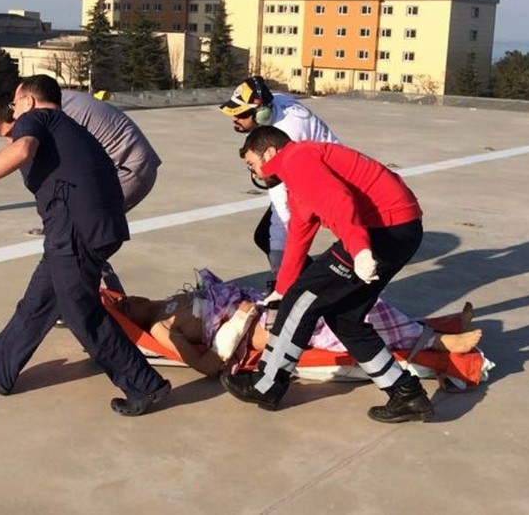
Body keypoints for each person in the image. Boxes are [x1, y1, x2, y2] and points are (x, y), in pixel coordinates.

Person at [0, 76, 171, 416]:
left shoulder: (37, 118)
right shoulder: (65, 124)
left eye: (16, 105)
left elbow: (22, 149)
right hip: (83, 229)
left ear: (29, 101)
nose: (14, 112)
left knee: (82, 314)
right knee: (39, 299)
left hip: (76, 232)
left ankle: (144, 385)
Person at [219, 125, 433, 423]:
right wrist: (282, 287)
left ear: (269, 153)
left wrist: (359, 249)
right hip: (400, 228)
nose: (253, 172)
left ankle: (266, 384)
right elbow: (300, 232)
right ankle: (406, 394)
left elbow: (338, 200)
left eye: (252, 163)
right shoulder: (300, 167)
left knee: (302, 299)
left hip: (383, 230)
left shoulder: (295, 159)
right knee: (344, 318)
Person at [112, 269, 481, 379]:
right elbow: (208, 366)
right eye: (123, 308)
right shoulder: (160, 328)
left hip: (261, 302)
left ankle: (434, 330)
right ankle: (439, 343)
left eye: (123, 298)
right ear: (132, 323)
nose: (126, 300)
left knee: (354, 298)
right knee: (348, 316)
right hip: (259, 323)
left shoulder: (166, 303)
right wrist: (239, 319)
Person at [0, 77, 162, 298]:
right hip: (133, 163)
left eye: (11, 133)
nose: (11, 141)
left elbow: (33, 161)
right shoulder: (52, 102)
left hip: (128, 167)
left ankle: (104, 302)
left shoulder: (47, 116)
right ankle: (92, 298)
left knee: (81, 239)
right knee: (82, 241)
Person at [219, 75, 338, 279]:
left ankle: (309, 284)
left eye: (241, 114)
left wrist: (277, 250)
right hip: (313, 174)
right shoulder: (274, 104)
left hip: (326, 183)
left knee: (275, 238)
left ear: (261, 114)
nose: (234, 118)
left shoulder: (286, 136)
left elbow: (280, 198)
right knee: (268, 236)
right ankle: (303, 282)